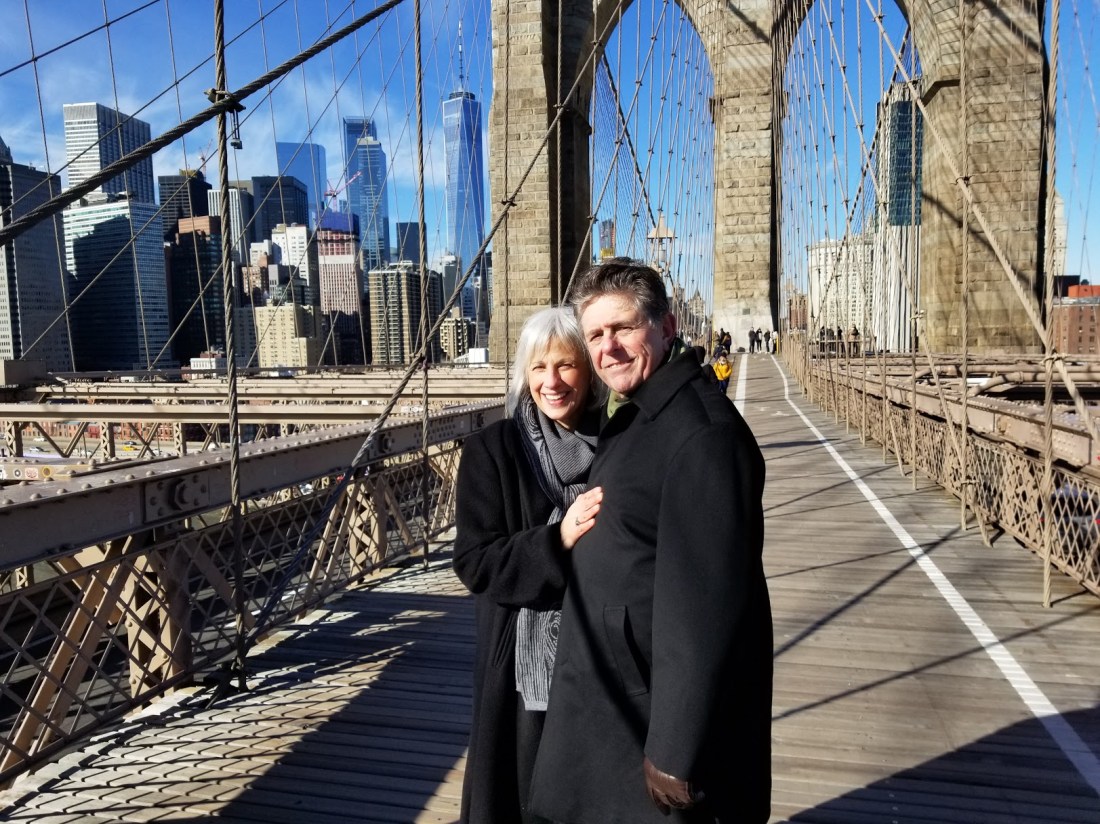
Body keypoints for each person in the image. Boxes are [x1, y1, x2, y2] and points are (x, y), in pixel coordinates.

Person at [530, 259, 772, 824]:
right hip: (614, 694)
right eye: (595, 334)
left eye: (623, 328)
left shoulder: (702, 436)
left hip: (647, 719)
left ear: (666, 327)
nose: (608, 347)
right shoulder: (641, 412)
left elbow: (708, 606)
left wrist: (675, 749)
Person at [453, 307, 605, 824]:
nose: (552, 382)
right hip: (519, 676)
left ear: (589, 370)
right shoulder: (492, 451)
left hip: (603, 657)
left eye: (565, 365)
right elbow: (474, 562)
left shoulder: (622, 444)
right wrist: (556, 541)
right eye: (539, 368)